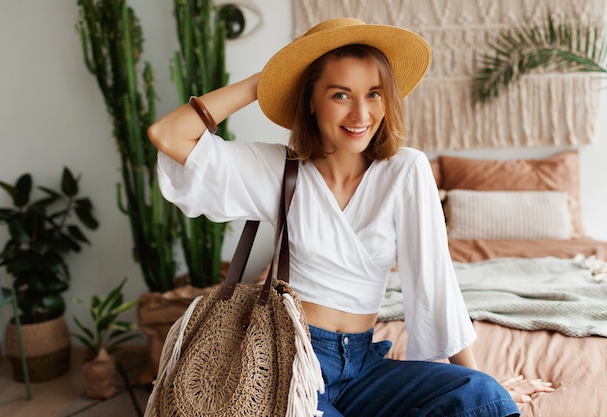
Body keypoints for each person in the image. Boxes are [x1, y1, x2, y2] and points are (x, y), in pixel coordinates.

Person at [148, 17, 553, 417]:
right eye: (341, 95)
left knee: (480, 396)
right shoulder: (278, 170)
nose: (361, 113)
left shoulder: (405, 170)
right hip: (291, 361)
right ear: (310, 99)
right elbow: (168, 135)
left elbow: (434, 283)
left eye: (374, 94)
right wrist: (267, 80)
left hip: (363, 365)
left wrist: (480, 384)